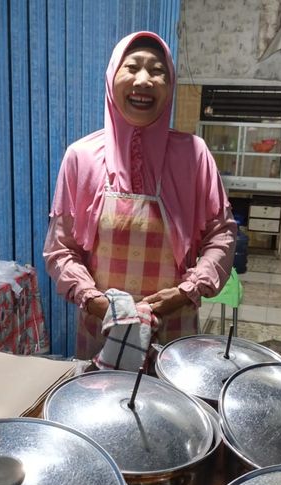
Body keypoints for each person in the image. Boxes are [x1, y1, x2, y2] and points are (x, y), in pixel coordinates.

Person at [43, 31, 236, 361]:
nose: (144, 80)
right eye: (131, 67)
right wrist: (92, 299)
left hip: (174, 327)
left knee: (172, 410)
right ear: (111, 77)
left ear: (170, 83)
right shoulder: (81, 157)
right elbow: (61, 249)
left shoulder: (194, 154)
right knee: (105, 405)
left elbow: (221, 236)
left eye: (157, 70)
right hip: (103, 326)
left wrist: (186, 291)